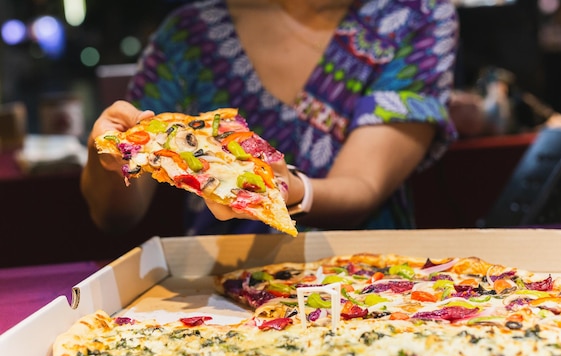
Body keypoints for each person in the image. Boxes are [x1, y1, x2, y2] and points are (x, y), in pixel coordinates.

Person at [81, 0, 459, 236]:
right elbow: (115, 216)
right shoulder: (188, 36)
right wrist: (112, 157)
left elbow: (362, 185)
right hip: (216, 300)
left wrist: (288, 190)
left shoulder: (416, 15)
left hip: (372, 286)